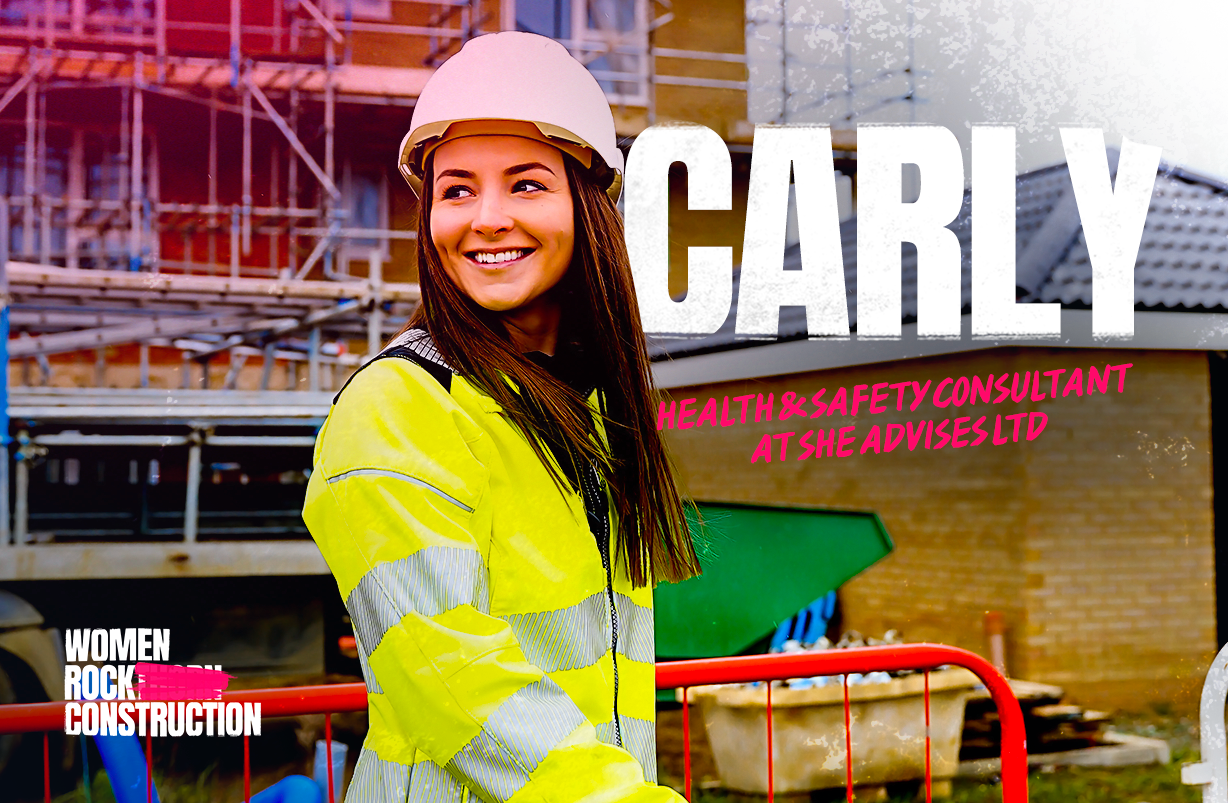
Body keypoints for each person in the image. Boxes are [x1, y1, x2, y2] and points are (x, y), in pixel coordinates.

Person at [303, 31, 702, 803]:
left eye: (525, 184)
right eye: (456, 189)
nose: (486, 218)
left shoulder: (586, 408)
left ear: (587, 205)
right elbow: (459, 681)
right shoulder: (395, 411)